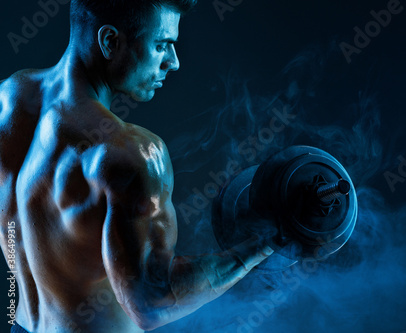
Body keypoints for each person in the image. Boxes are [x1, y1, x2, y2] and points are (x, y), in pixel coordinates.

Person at [0, 0, 274, 332]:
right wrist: (266, 242)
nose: (173, 62)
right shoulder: (132, 153)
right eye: (162, 45)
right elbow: (152, 303)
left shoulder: (8, 99)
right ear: (110, 42)